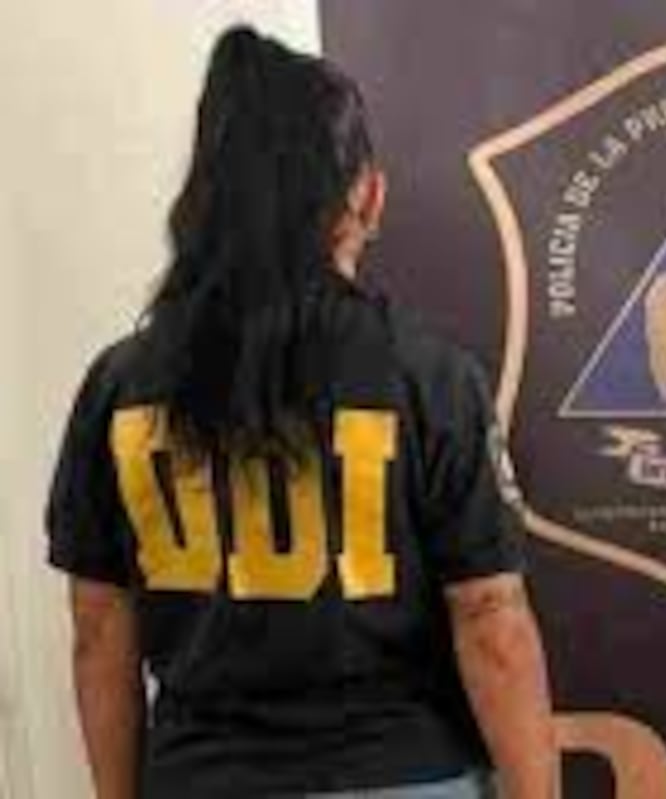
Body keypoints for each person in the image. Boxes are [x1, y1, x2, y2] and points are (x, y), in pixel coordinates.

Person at [45, 26, 554, 799]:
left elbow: (98, 630)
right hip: (401, 773)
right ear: (368, 196)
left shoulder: (118, 386)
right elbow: (491, 620)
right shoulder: (429, 378)